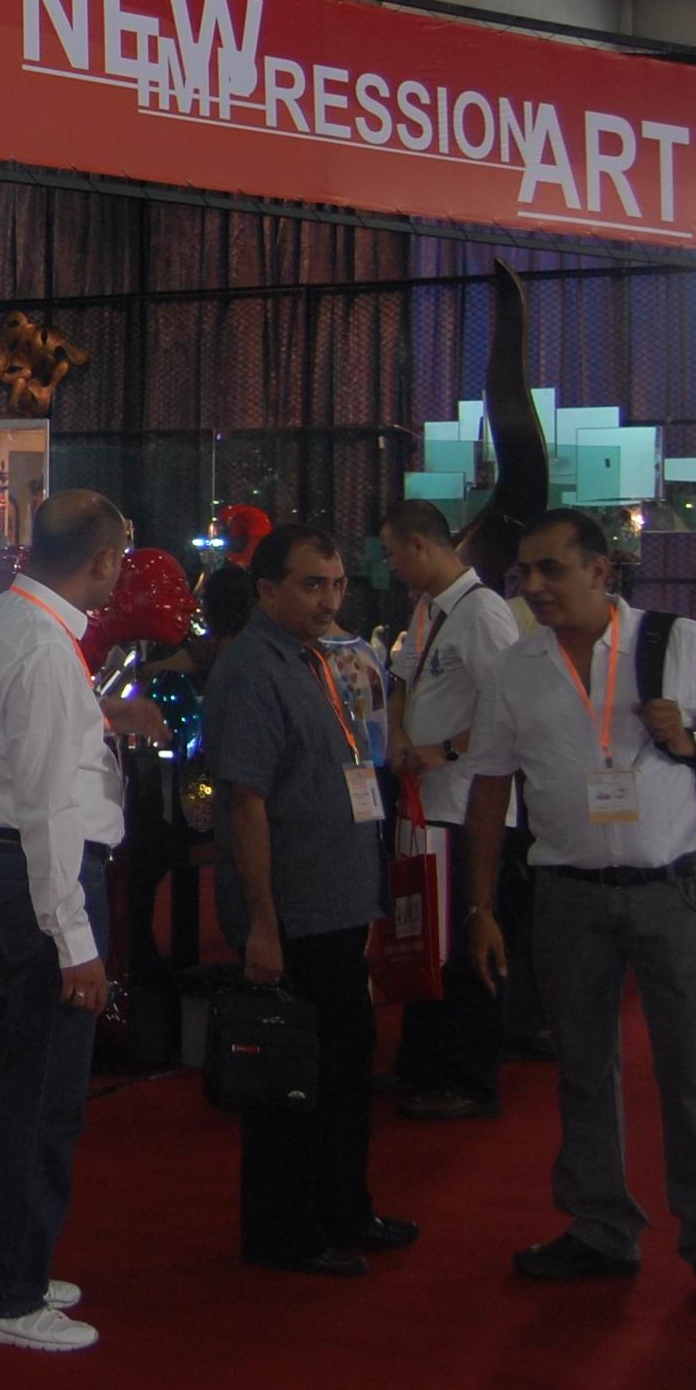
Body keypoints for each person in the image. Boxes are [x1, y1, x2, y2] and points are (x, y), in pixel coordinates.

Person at [459, 509, 696, 1300]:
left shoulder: (682, 643)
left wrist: (693, 737)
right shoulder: (517, 667)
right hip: (568, 891)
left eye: (551, 568)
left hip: (677, 886)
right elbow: (490, 785)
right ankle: (600, 1226)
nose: (534, 585)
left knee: (694, 1064)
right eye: (525, 571)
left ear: (601, 571)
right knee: (583, 1067)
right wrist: (480, 906)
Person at [0, 490, 166, 1352]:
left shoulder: (6, 619)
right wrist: (76, 941)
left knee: (15, 1082)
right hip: (47, 873)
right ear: (104, 559)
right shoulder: (42, 643)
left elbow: (28, 740)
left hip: (16, 866)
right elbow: (46, 807)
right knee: (42, 1096)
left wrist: (103, 714)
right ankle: (5, 1290)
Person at [205, 523, 416, 1275]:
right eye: (311, 585)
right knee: (291, 1078)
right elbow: (246, 804)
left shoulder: (318, 657)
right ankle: (287, 1230)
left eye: (337, 584)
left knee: (345, 1067)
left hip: (339, 899)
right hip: (294, 911)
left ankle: (343, 1208)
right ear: (268, 590)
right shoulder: (252, 669)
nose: (329, 601)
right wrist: (262, 924)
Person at [383, 498, 531, 1121]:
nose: (392, 566)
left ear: (421, 545)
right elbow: (401, 680)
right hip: (426, 805)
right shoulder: (428, 609)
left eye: (394, 553)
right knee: (429, 944)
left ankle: (469, 1077)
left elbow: (511, 709)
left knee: (470, 940)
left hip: (471, 807)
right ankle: (425, 1065)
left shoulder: (483, 612)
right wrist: (398, 734)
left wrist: (442, 749)